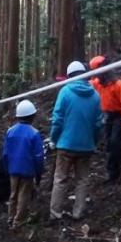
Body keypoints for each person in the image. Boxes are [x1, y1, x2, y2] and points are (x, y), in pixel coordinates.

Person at [49, 61, 102, 220]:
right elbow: (98, 123)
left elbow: (57, 119)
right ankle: (78, 213)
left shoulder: (65, 92)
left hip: (65, 144)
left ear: (70, 75)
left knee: (60, 179)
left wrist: (53, 138)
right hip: (86, 146)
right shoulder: (95, 95)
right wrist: (93, 141)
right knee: (82, 180)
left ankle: (55, 214)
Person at [89, 56, 121, 183]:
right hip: (106, 116)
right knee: (112, 143)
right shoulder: (97, 84)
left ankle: (113, 172)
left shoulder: (119, 85)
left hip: (119, 116)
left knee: (115, 142)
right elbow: (86, 85)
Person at [2, 99, 45, 227]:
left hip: (13, 169)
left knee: (13, 194)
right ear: (33, 116)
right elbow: (39, 156)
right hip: (28, 170)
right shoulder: (34, 133)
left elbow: (5, 153)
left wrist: (7, 168)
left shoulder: (10, 131)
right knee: (23, 195)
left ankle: (11, 217)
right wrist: (38, 173)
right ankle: (18, 220)